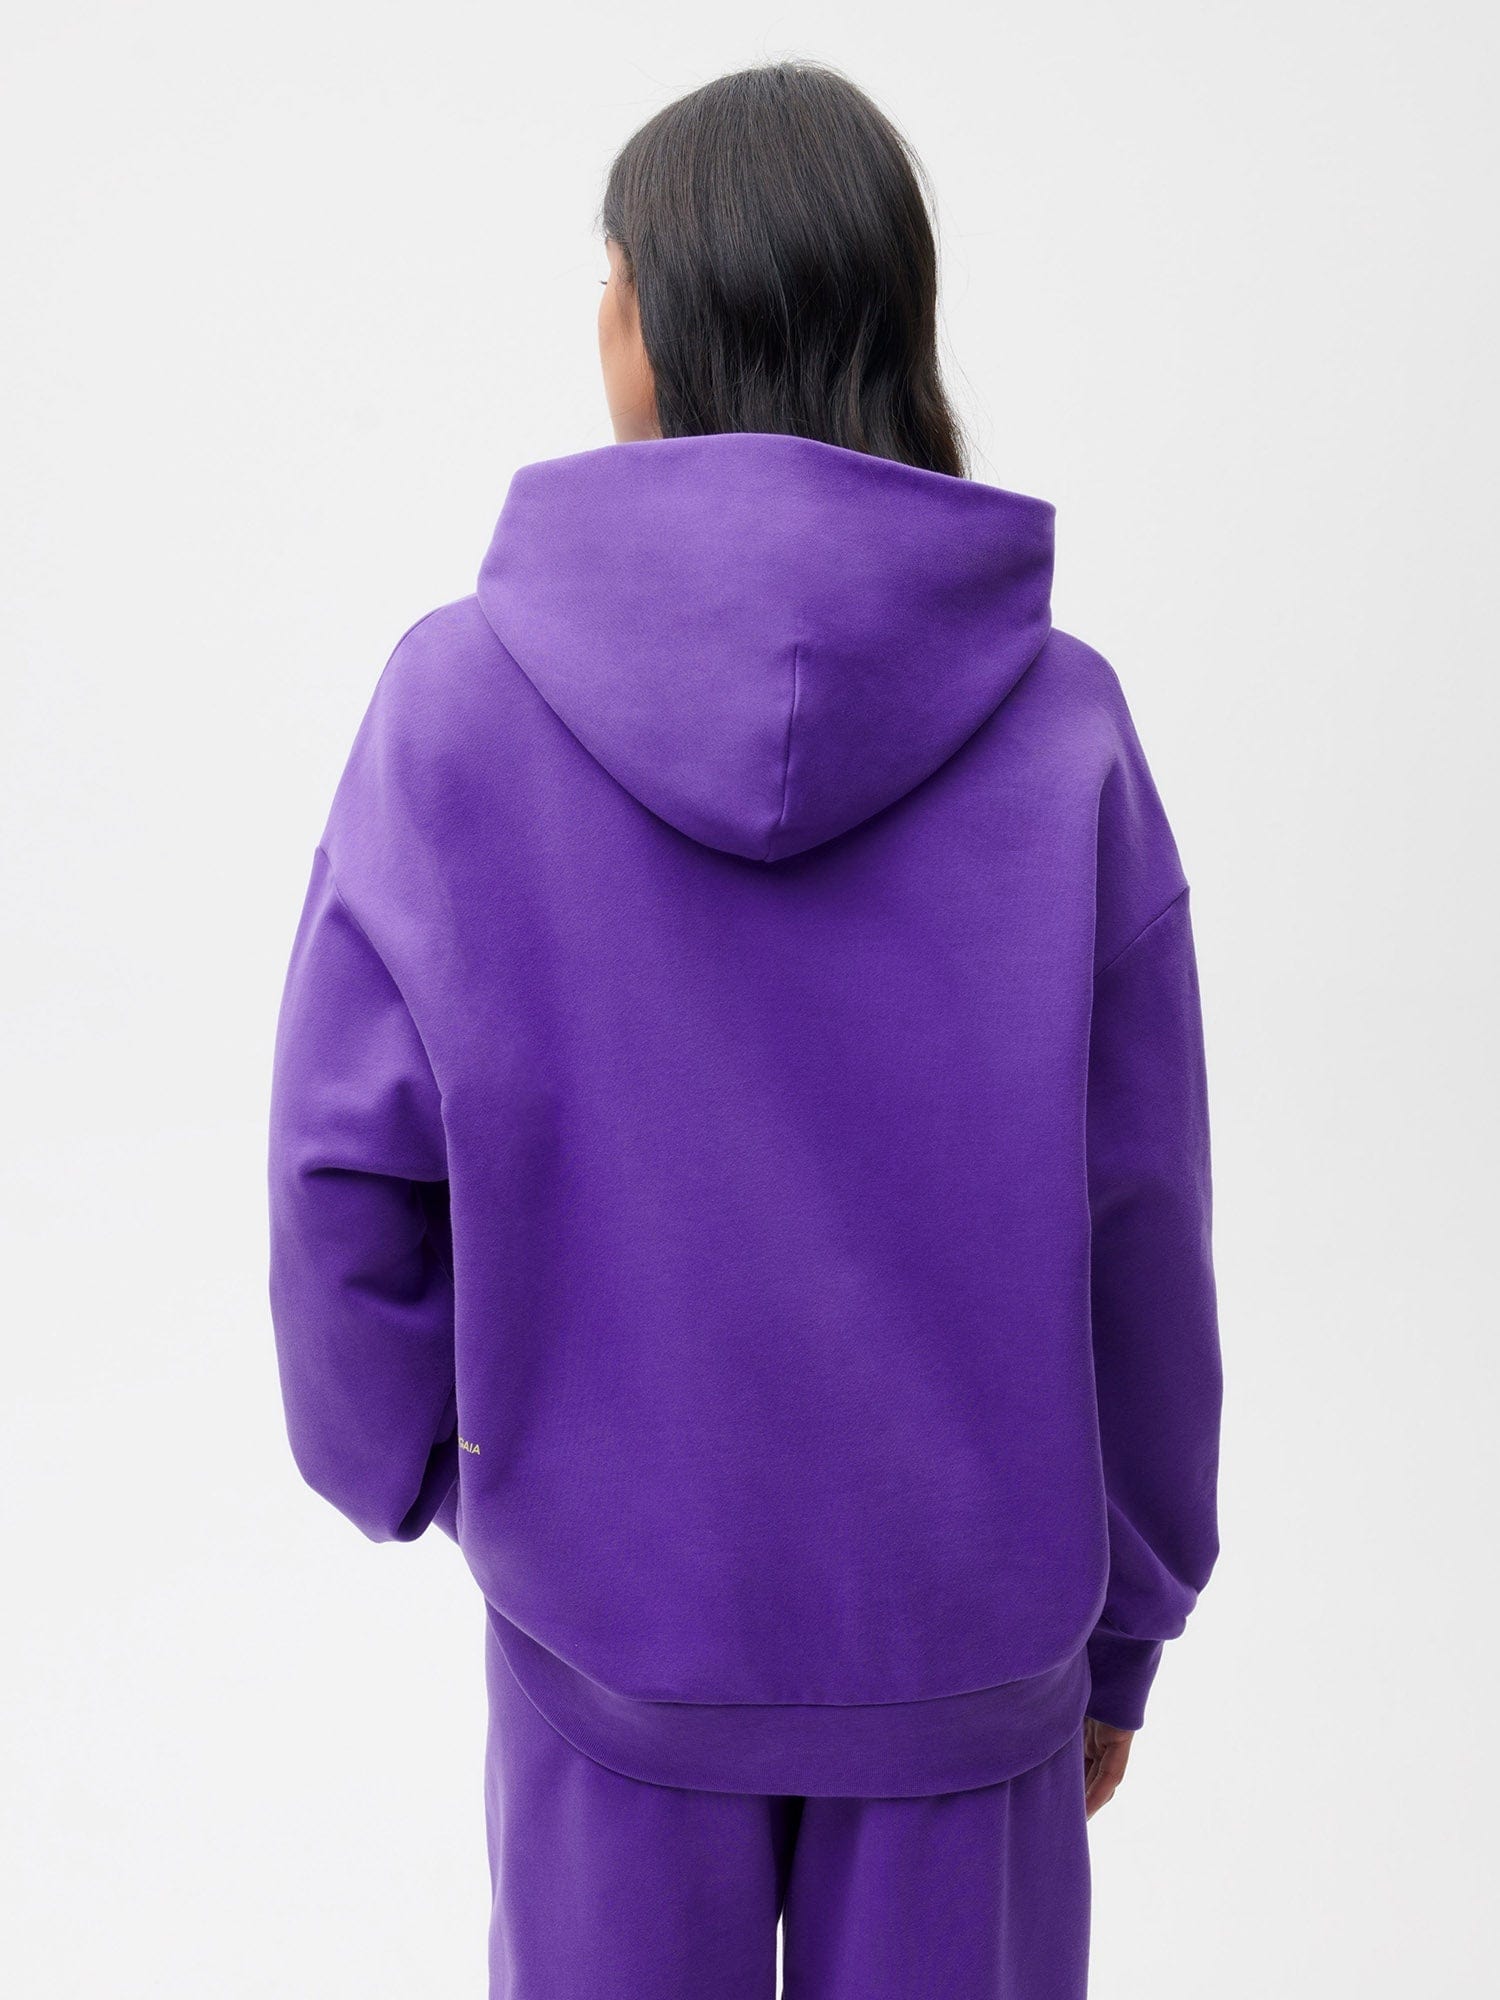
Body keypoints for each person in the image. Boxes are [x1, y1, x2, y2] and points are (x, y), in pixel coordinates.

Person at [267, 59, 1221, 2000]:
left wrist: (439, 1468)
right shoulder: (1066, 732)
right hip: (970, 1657)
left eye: (605, 280)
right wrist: (1128, 1621)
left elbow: (343, 1174)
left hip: (609, 1632)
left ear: (648, 320)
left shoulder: (456, 707)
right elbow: (1142, 1222)